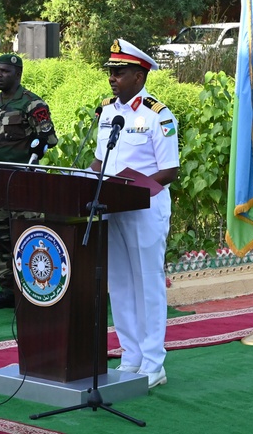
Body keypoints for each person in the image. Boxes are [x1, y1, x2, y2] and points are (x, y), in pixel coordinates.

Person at [89, 39, 179, 389]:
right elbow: (100, 159)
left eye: (120, 72)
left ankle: (154, 362)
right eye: (111, 72)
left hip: (145, 206)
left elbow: (169, 170)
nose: (113, 78)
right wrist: (86, 178)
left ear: (140, 76)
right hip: (113, 206)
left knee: (147, 282)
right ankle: (130, 355)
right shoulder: (108, 111)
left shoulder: (158, 115)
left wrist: (128, 190)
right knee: (121, 283)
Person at [0, 53, 57, 310]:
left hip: (22, 181)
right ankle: (8, 289)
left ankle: (30, 288)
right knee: (1, 235)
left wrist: (32, 161)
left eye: (4, 71)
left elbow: (48, 138)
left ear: (17, 74)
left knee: (25, 235)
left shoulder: (32, 104)